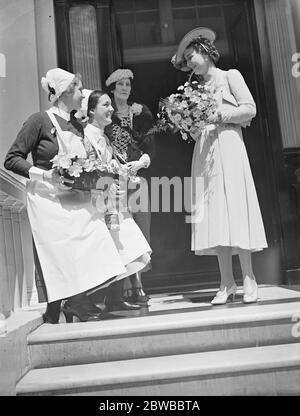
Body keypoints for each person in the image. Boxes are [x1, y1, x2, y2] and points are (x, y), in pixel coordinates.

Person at [3, 68, 140, 323]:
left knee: (96, 239)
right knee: (59, 253)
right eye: (78, 89)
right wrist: (46, 176)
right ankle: (65, 305)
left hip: (75, 195)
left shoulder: (77, 125)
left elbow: (89, 160)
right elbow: (11, 160)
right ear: (65, 91)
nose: (81, 94)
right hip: (48, 199)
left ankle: (76, 301)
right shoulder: (38, 121)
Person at [172, 27, 268, 305]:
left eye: (191, 57)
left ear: (204, 51)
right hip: (205, 151)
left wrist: (221, 114)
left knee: (235, 210)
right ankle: (227, 282)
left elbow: (249, 109)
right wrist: (188, 124)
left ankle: (249, 278)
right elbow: (194, 124)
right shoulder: (194, 89)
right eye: (187, 60)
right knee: (215, 215)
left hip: (228, 146)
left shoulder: (230, 76)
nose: (189, 63)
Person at [83, 90, 152, 310]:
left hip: (113, 203)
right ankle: (95, 299)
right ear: (92, 110)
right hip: (95, 203)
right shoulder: (85, 136)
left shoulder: (104, 137)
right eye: (105, 105)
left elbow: (113, 166)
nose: (111, 108)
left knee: (125, 244)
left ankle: (114, 299)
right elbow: (87, 168)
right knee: (112, 247)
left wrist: (128, 179)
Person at [104, 69, 155, 304]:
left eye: (128, 84)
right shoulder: (106, 113)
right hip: (115, 180)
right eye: (120, 84)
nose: (125, 88)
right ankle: (125, 283)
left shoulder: (141, 112)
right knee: (123, 230)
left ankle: (139, 283)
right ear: (112, 89)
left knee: (142, 228)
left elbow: (150, 142)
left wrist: (143, 160)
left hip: (138, 176)